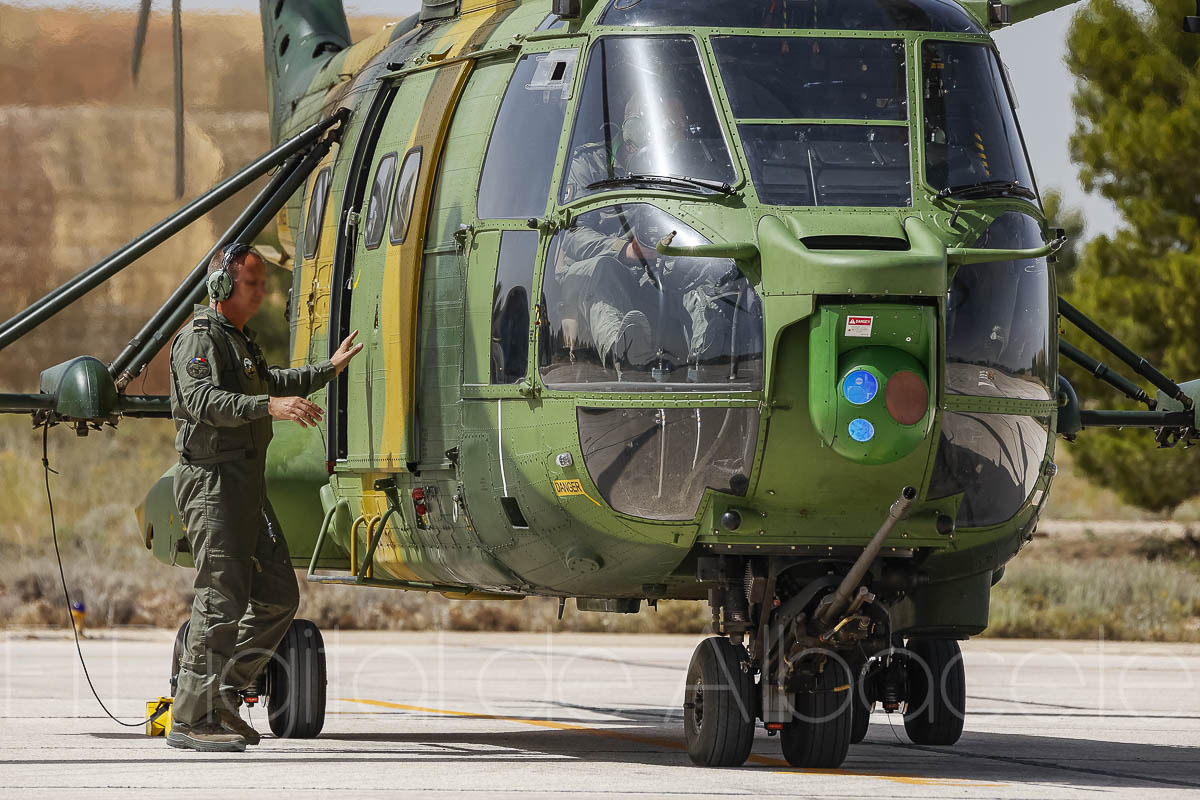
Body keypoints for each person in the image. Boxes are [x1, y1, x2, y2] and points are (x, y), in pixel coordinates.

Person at [166, 243, 362, 752]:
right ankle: (191, 718)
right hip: (214, 483)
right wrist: (268, 406)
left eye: (262, 283)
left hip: (245, 486)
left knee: (277, 597)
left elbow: (270, 381)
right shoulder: (200, 339)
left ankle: (221, 694)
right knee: (220, 600)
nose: (261, 292)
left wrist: (327, 370)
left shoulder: (239, 341)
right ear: (221, 286)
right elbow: (204, 400)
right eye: (252, 283)